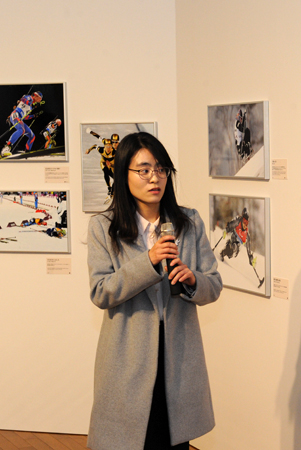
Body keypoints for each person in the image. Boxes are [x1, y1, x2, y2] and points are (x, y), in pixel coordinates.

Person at [86, 132, 222, 450]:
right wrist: (148, 261)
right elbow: (101, 291)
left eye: (160, 169)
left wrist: (192, 280)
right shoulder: (103, 228)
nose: (154, 178)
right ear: (124, 175)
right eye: (144, 170)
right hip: (127, 361)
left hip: (178, 361)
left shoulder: (189, 222)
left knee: (171, 442)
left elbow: (213, 285)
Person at [1, 91, 44, 157]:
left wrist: (34, 115)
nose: (40, 100)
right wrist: (30, 103)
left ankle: (27, 152)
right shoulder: (29, 98)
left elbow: (25, 117)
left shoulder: (30, 107)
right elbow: (23, 99)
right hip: (15, 114)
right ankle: (6, 149)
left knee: (32, 136)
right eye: (40, 98)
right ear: (35, 95)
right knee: (21, 130)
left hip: (20, 118)